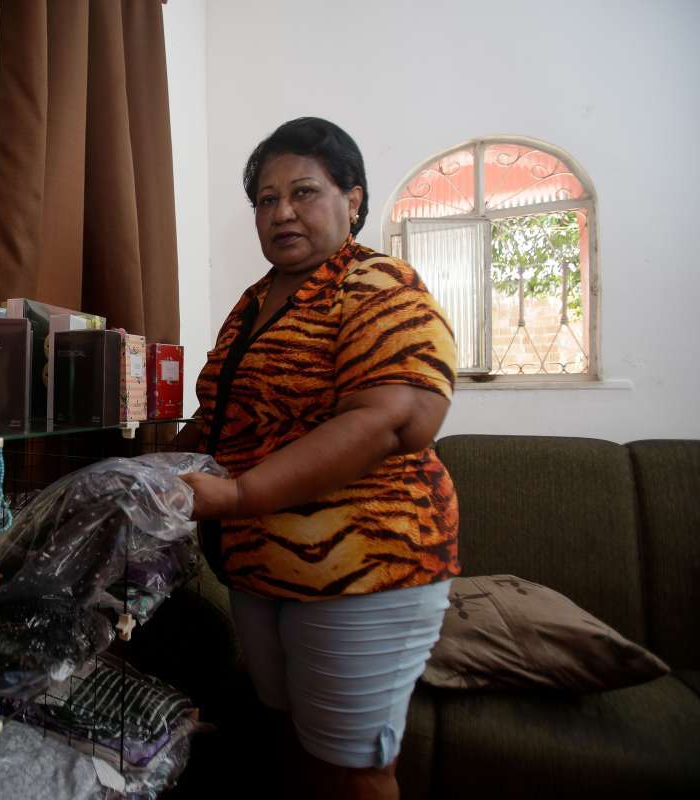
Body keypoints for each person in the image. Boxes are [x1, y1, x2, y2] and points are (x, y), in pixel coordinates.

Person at [175, 117, 459, 800]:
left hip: (364, 565)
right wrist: (141, 473)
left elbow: (394, 417)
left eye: (303, 192)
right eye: (266, 200)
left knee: (354, 771)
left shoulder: (376, 282)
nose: (282, 213)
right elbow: (222, 418)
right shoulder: (254, 302)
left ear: (352, 200)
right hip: (260, 569)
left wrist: (239, 497)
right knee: (294, 742)